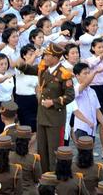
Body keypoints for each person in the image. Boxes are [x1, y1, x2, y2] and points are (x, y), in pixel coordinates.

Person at [16, 43, 75, 172]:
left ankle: (54, 176)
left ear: (56, 57)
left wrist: (53, 102)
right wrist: (28, 56)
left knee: (54, 150)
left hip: (55, 117)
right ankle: (44, 176)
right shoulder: (43, 69)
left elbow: (70, 96)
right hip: (42, 115)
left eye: (48, 55)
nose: (45, 57)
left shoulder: (64, 74)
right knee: (42, 149)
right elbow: (22, 68)